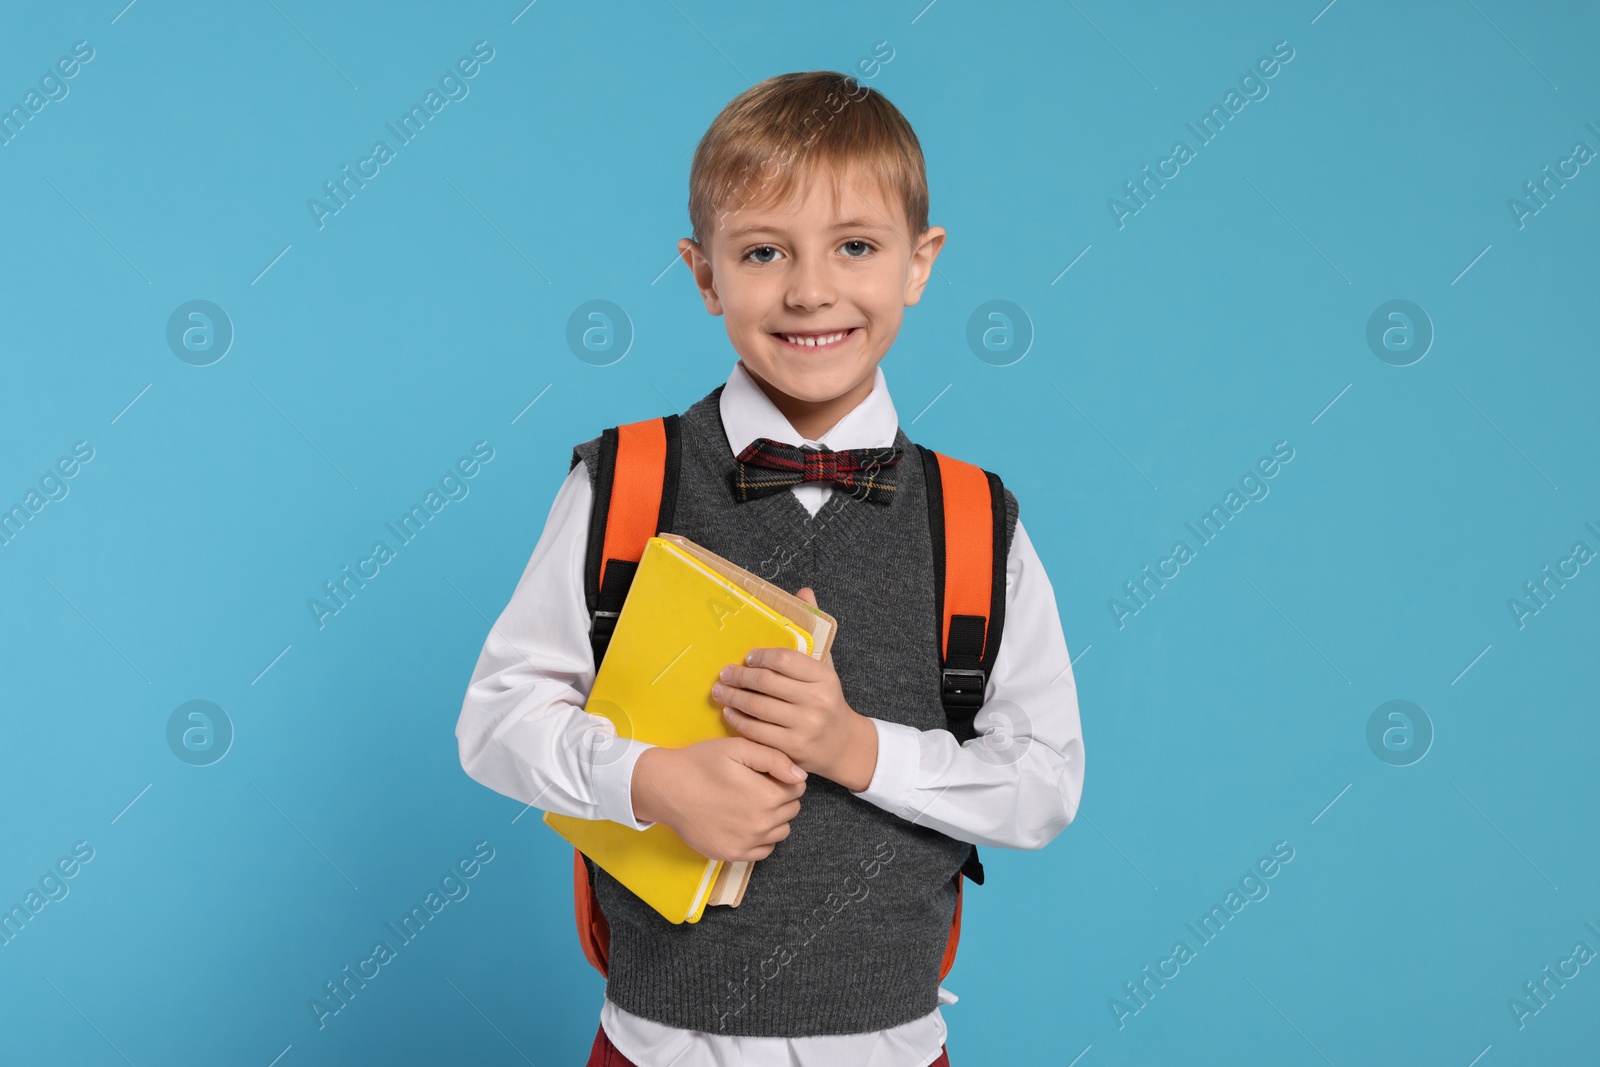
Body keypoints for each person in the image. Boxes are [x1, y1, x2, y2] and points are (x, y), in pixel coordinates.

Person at [456, 70, 1085, 1067]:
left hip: (892, 1045)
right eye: (761, 251)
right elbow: (494, 723)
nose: (809, 289)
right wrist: (651, 779)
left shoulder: (976, 522)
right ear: (702, 274)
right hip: (656, 1043)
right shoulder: (624, 485)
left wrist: (852, 745)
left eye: (856, 246)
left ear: (920, 263)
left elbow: (1042, 786)